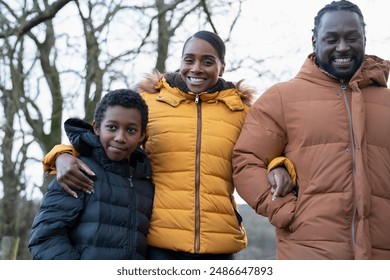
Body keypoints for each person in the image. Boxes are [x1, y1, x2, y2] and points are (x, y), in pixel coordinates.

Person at [41, 30, 263, 260]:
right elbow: (107, 140)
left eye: (208, 61)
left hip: (219, 245)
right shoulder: (150, 102)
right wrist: (61, 154)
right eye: (189, 60)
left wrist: (279, 165)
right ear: (181, 62)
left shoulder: (242, 112)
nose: (196, 68)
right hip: (158, 244)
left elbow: (265, 154)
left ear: (222, 67)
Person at [232, 0, 390, 260]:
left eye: (352, 37)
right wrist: (284, 210)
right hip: (306, 255)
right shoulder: (281, 98)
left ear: (364, 38)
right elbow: (245, 161)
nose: (342, 47)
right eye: (331, 38)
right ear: (315, 40)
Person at [29, 89, 154, 259]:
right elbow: (45, 238)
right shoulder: (76, 170)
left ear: (142, 136)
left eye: (131, 130)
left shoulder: (146, 185)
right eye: (112, 127)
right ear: (96, 128)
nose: (120, 137)